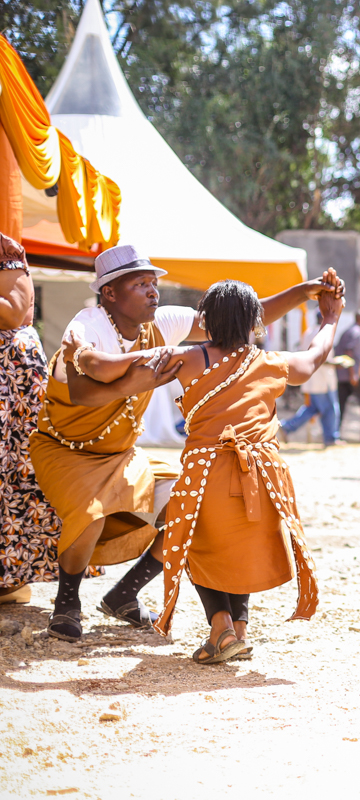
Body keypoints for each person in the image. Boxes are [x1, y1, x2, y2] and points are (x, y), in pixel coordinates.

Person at [31, 243, 341, 642]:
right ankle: (66, 604)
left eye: (153, 282)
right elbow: (85, 390)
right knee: (90, 512)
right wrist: (139, 373)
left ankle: (124, 593)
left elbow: (235, 319)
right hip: (66, 450)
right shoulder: (87, 326)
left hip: (121, 453)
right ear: (109, 293)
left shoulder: (169, 329)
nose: (153, 291)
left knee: (188, 511)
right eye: (140, 284)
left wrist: (305, 291)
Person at [149, 278, 341, 663]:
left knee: (198, 547)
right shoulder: (271, 363)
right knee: (240, 549)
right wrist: (331, 318)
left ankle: (220, 628)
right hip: (261, 477)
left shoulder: (187, 359)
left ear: (205, 321)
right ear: (256, 322)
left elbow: (129, 374)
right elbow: (315, 356)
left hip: (205, 472)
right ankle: (238, 632)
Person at [0, 234, 62, 605]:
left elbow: (10, 312)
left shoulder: (8, 260)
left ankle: (12, 581)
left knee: (16, 482)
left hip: (15, 391)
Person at [279, 314, 341, 447]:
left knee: (312, 409)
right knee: (329, 409)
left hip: (313, 379)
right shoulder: (323, 333)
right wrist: (336, 363)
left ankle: (287, 427)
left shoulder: (308, 333)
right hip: (322, 380)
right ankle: (330, 437)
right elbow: (322, 359)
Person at [335, 309, 360, 440]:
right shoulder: (356, 332)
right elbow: (349, 352)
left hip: (342, 376)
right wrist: (353, 373)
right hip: (352, 376)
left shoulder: (348, 331)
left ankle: (335, 433)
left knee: (340, 406)